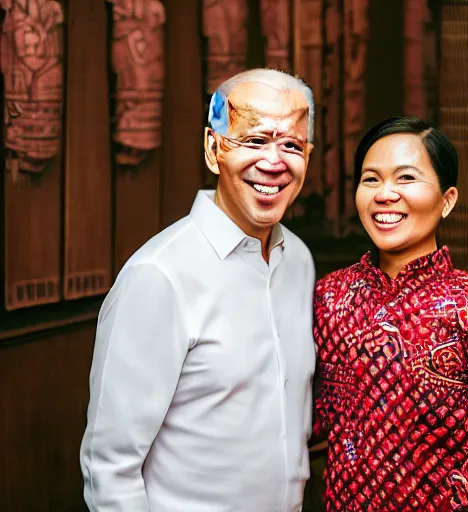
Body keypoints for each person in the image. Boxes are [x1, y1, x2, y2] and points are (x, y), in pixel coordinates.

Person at [80, 68, 317, 512]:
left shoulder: (299, 261)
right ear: (214, 149)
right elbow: (110, 467)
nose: (274, 161)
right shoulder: (160, 275)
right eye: (253, 140)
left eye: (291, 145)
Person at [313, 117, 468, 511]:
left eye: (406, 178)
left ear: (447, 200)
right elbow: (306, 420)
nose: (385, 194)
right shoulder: (328, 297)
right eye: (371, 179)